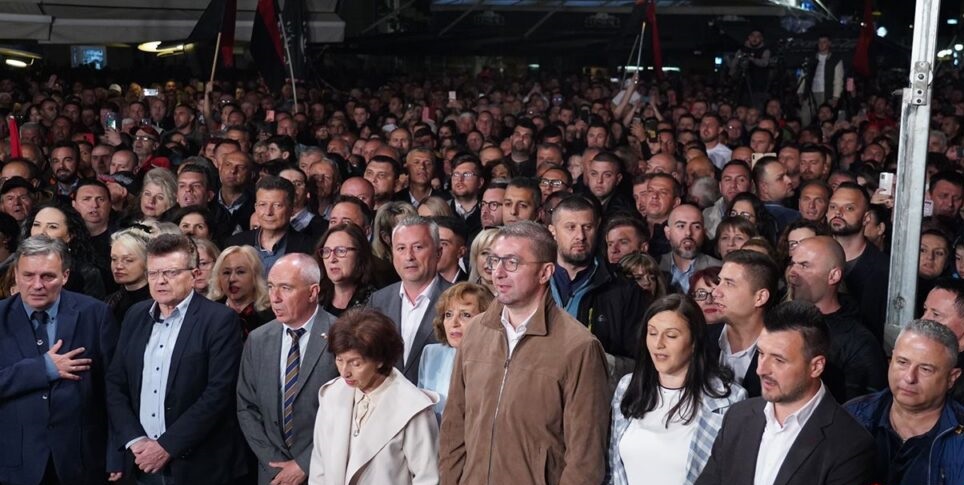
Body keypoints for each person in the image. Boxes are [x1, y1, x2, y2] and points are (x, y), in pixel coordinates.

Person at [440, 221, 610, 485]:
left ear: (545, 272)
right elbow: (454, 426)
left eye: (512, 262)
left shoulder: (579, 347)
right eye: (495, 260)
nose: (498, 272)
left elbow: (585, 460)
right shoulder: (475, 331)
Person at [106, 234, 247, 485]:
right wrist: (135, 440)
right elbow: (116, 384)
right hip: (139, 462)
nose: (160, 281)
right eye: (153, 273)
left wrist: (166, 447)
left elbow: (218, 394)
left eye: (170, 272)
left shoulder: (219, 320)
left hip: (197, 466)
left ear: (193, 275)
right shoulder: (135, 315)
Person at [695, 301, 876, 485]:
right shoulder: (737, 417)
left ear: (815, 366)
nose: (761, 369)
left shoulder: (851, 444)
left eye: (778, 360)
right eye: (761, 353)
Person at [0, 235, 122, 484]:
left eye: (47, 276)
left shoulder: (96, 314)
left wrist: (116, 453)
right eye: (28, 275)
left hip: (82, 461)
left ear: (65, 276)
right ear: (15, 274)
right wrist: (43, 368)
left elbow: (115, 390)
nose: (37, 285)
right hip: (15, 462)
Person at [609, 294, 746, 485]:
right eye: (652, 333)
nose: (659, 344)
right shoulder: (627, 386)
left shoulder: (729, 400)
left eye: (671, 335)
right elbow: (613, 467)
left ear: (694, 341)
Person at [237, 253, 339, 485]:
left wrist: (304, 463)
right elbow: (246, 407)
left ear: (313, 292)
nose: (275, 297)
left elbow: (349, 414)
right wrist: (274, 463)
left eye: (286, 288)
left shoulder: (341, 335)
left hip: (324, 472)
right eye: (271, 286)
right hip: (273, 475)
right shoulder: (258, 339)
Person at [309, 308, 440, 485]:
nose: (345, 372)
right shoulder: (332, 394)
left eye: (356, 363)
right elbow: (319, 467)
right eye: (339, 360)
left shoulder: (412, 407)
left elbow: (428, 478)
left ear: (380, 360)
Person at [845, 319, 964, 485]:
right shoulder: (851, 417)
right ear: (891, 360)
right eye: (902, 362)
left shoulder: (959, 438)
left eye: (925, 369)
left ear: (952, 378)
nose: (909, 377)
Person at [548, 195, 650, 379]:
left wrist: (598, 362)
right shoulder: (534, 283)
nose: (580, 236)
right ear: (553, 231)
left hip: (597, 394)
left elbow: (639, 362)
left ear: (598, 229)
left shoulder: (624, 290)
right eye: (571, 227)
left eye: (587, 227)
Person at [787, 236, 887, 400]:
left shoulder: (860, 344)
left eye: (804, 265)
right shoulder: (781, 321)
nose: (792, 273)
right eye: (792, 264)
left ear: (834, 276)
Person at [368, 216, 453, 384]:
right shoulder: (378, 301)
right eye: (401, 248)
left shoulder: (457, 299)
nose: (409, 256)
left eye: (418, 247)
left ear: (438, 252)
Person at [707, 249, 780, 397]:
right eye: (719, 281)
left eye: (729, 283)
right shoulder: (700, 339)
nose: (715, 292)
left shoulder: (780, 355)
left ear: (760, 298)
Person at [418, 282, 493, 418]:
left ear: (486, 319)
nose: (454, 322)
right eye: (448, 314)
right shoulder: (431, 353)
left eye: (465, 315)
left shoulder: (494, 361)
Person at [225, 175, 316, 275]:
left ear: (291, 209)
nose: (268, 212)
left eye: (277, 205)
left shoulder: (308, 247)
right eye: (263, 205)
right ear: (256, 207)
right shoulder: (235, 244)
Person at [24, 203, 108, 299]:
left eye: (52, 227)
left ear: (70, 235)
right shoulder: (13, 264)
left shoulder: (87, 274)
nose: (41, 232)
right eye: (36, 225)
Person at [207, 245, 275, 338]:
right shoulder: (209, 314)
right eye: (226, 273)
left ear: (255, 276)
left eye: (240, 272)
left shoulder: (271, 316)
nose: (232, 279)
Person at [660, 204, 721, 294]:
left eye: (696, 227)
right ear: (668, 232)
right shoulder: (654, 266)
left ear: (704, 233)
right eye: (681, 226)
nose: (688, 233)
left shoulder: (719, 270)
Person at [317, 223, 376, 316]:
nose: (332, 259)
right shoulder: (315, 297)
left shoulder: (375, 302)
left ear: (360, 255)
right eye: (327, 251)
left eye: (341, 251)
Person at [105, 226, 152, 323]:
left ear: (147, 261)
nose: (118, 266)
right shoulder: (110, 302)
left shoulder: (159, 303)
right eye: (114, 259)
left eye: (128, 260)